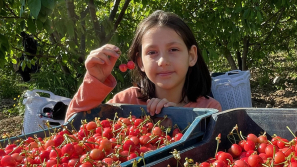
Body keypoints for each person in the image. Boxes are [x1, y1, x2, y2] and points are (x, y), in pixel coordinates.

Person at [65, 10, 222, 121]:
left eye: (173, 49)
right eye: (152, 52)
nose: (163, 61)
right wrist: (94, 80)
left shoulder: (209, 109)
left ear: (191, 56)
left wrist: (177, 117)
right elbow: (73, 127)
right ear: (140, 62)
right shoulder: (126, 101)